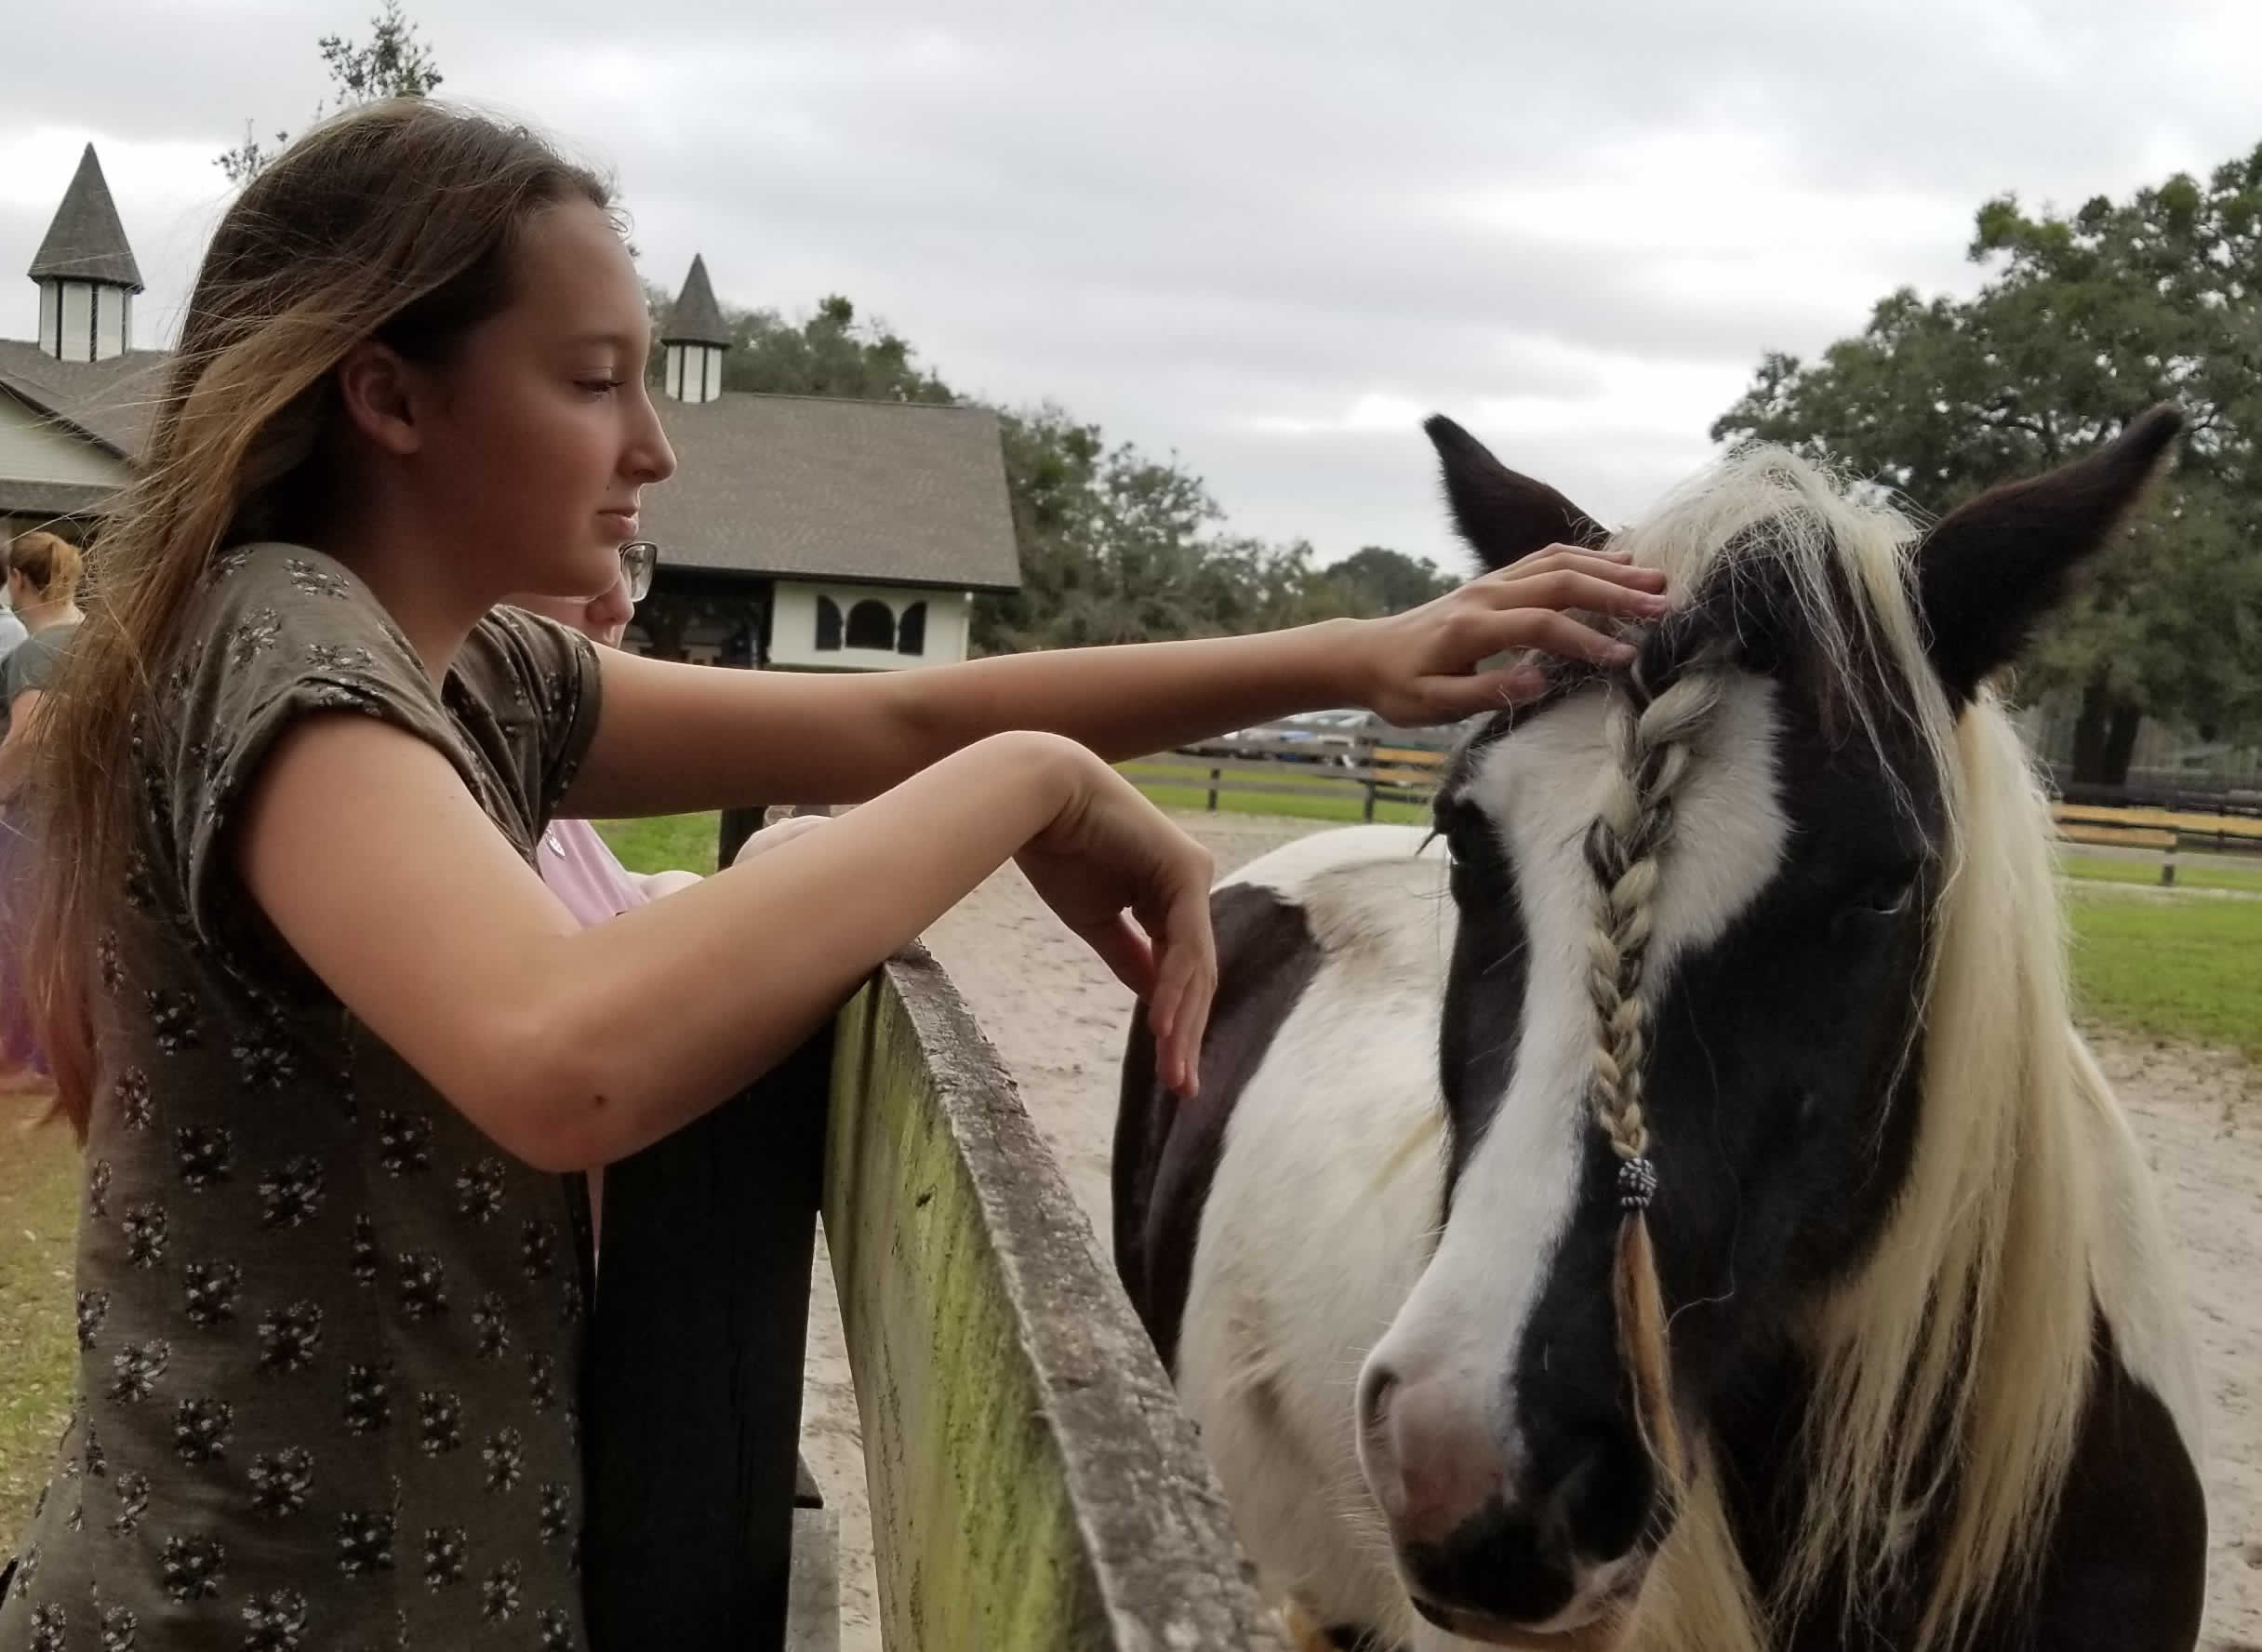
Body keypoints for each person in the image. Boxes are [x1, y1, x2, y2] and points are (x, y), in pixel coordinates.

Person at [0, 100, 1664, 1648]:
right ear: (392, 395)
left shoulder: (478, 674)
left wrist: (1369, 655)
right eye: (591, 381)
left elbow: (898, 712)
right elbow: (562, 1054)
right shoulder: (281, 637)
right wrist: (1023, 789)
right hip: (245, 1609)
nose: (654, 446)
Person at [0, 530, 84, 1088]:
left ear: (19, 580)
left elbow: (28, 740)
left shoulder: (37, 652)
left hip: (38, 814)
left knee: (32, 927)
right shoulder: (99, 633)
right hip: (86, 811)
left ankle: (45, 1063)